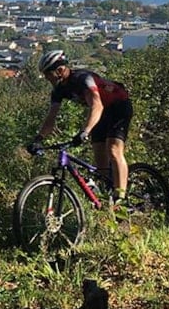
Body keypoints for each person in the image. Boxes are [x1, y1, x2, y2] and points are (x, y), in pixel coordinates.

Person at [27, 50, 133, 203]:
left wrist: (85, 131)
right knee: (100, 159)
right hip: (101, 112)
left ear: (59, 71)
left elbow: (97, 105)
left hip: (119, 106)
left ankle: (121, 199)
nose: (46, 78)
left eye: (47, 74)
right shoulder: (59, 90)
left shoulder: (83, 79)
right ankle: (105, 198)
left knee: (113, 149)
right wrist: (38, 139)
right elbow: (51, 119)